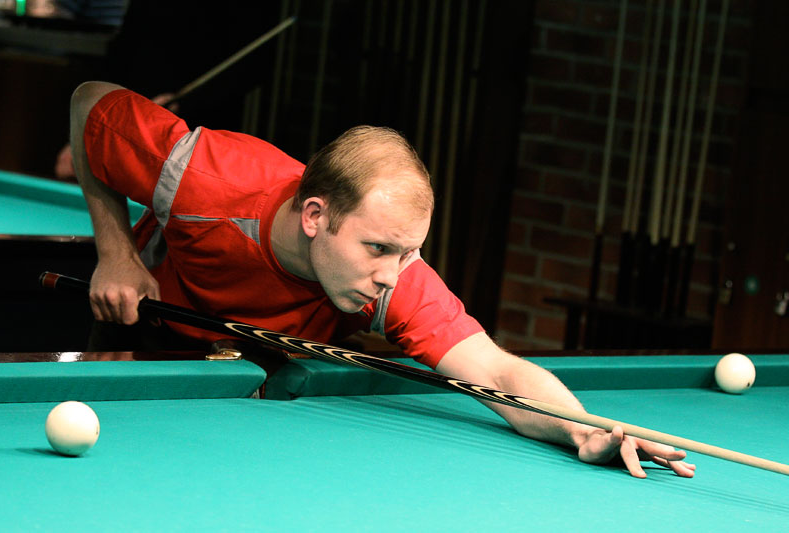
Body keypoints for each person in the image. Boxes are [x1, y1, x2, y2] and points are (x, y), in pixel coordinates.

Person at [70, 80, 696, 479]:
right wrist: (116, 252)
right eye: (377, 248)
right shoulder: (208, 178)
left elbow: (497, 371)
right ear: (315, 216)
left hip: (260, 393)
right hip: (142, 344)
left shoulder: (395, 280)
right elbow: (88, 101)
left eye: (408, 252)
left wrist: (584, 428)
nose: (390, 275)